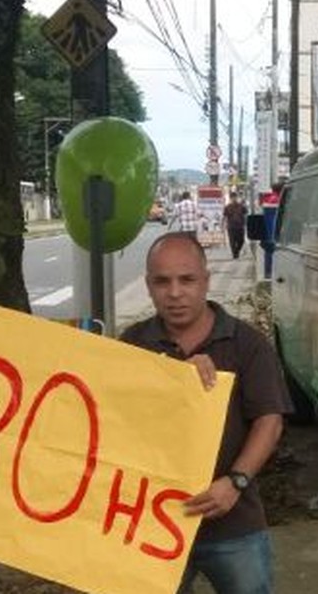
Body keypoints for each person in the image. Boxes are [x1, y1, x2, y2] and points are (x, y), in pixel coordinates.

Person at [120, 232, 292, 594]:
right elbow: (115, 421)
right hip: (152, 523)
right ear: (149, 286)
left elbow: (270, 421)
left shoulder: (247, 344)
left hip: (234, 523)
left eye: (187, 279)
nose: (175, 293)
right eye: (162, 281)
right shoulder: (133, 345)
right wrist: (168, 379)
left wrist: (236, 482)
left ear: (206, 281)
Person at [223, 192, 247, 260]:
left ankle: (237, 251)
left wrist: (245, 223)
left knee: (241, 240)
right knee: (232, 241)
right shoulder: (227, 207)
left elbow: (245, 214)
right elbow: (225, 216)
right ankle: (235, 254)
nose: (234, 199)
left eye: (235, 197)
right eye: (232, 198)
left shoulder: (241, 206)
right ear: (230, 199)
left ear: (237, 198)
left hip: (240, 226)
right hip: (231, 227)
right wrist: (224, 225)